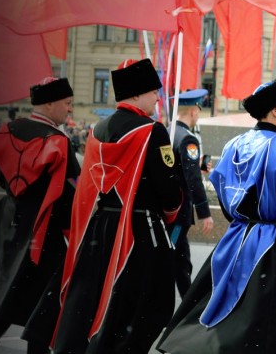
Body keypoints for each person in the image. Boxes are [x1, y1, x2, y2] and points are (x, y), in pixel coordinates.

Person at [156, 75, 276, 354]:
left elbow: (222, 189)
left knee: (220, 302)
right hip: (272, 244)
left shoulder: (233, 145)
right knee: (270, 316)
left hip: (235, 239)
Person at [52, 59, 182, 354]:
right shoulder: (152, 131)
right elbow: (169, 193)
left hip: (100, 229)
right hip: (140, 230)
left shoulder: (98, 128)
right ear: (136, 95)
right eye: (153, 92)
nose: (157, 98)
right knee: (149, 306)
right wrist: (173, 212)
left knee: (97, 299)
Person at [0, 78, 79, 354]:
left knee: (10, 281)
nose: (69, 110)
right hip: (46, 226)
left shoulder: (9, 130)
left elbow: (2, 180)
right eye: (67, 104)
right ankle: (36, 348)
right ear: (49, 103)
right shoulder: (58, 142)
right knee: (47, 292)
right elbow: (69, 194)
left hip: (8, 219)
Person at [167, 89, 215, 297]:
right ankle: (184, 306)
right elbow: (192, 179)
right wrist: (204, 212)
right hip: (179, 213)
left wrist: (196, 165)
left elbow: (173, 168)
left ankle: (188, 302)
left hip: (167, 207)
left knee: (180, 256)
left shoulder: (168, 132)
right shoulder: (188, 139)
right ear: (194, 111)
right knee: (175, 255)